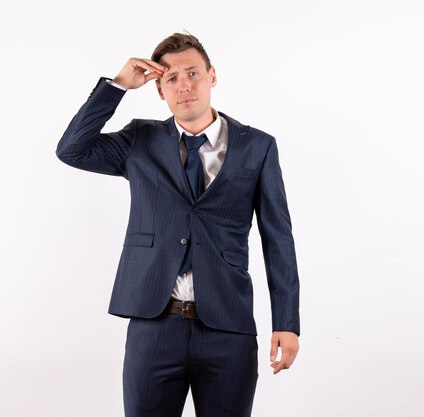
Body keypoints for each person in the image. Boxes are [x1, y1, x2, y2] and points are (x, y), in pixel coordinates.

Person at [56, 32, 300, 417]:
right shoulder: (140, 139)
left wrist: (287, 321)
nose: (184, 85)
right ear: (159, 90)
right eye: (171, 78)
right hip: (154, 325)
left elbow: (278, 239)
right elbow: (71, 149)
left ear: (212, 76)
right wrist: (118, 86)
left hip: (228, 329)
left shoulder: (258, 147)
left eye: (193, 73)